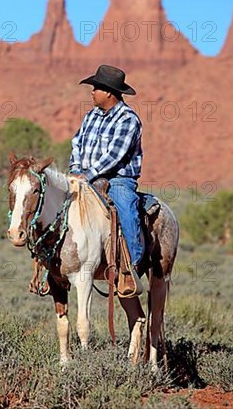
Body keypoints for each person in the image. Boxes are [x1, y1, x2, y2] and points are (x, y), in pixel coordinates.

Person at [69, 64, 144, 295]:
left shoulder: (128, 119)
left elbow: (115, 154)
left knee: (126, 210)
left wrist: (88, 175)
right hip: (85, 178)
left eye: (96, 88)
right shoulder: (91, 115)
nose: (92, 92)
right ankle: (49, 265)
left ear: (109, 92)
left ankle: (129, 269)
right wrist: (74, 170)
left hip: (118, 180)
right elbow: (76, 143)